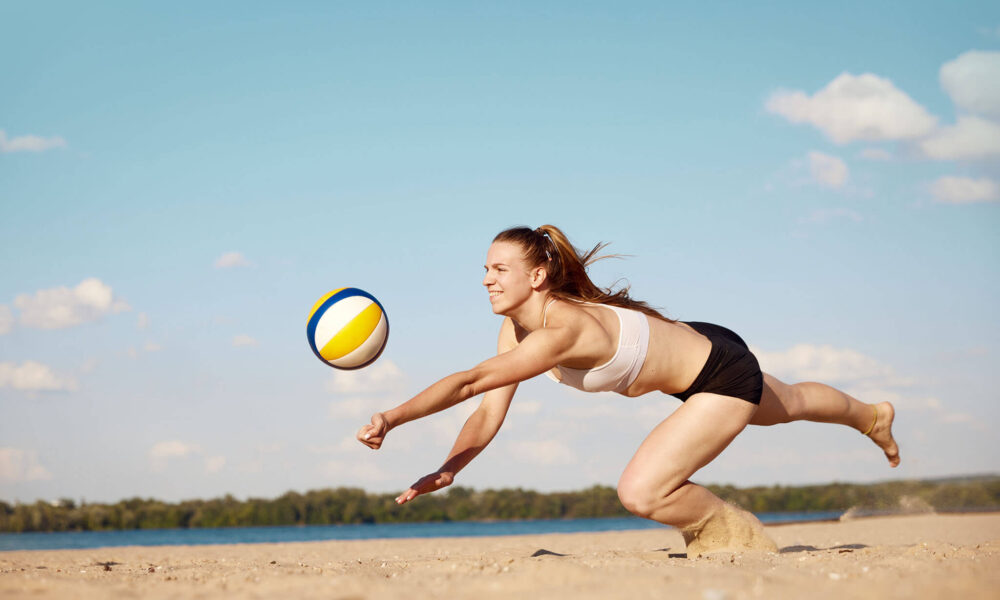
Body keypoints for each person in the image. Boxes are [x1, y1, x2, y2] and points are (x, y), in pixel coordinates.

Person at [357, 225, 900, 555]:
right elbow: (485, 408)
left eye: (500, 268)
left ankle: (733, 535)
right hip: (702, 350)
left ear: (538, 275)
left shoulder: (561, 329)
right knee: (791, 404)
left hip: (718, 370)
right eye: (484, 268)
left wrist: (392, 417)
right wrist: (452, 466)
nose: (486, 279)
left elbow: (470, 379)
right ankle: (872, 416)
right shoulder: (517, 330)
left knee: (642, 492)